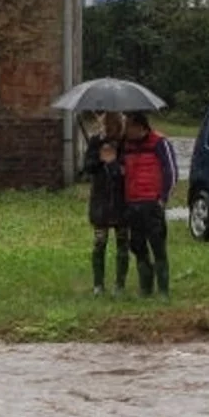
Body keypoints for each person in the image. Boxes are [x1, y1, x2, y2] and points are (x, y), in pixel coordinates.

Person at [120, 112, 177, 298]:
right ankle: (145, 287)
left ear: (140, 127)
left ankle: (163, 289)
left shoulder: (159, 143)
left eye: (129, 126)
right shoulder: (125, 145)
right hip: (132, 203)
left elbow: (171, 171)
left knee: (158, 246)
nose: (126, 130)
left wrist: (163, 198)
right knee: (137, 246)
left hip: (152, 203)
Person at [82, 112, 128, 296]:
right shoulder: (95, 142)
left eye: (113, 127)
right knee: (100, 241)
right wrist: (100, 160)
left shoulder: (125, 145)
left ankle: (120, 285)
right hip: (101, 199)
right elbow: (87, 167)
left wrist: (114, 162)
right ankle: (98, 284)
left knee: (123, 241)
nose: (109, 130)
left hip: (121, 199)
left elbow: (128, 170)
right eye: (106, 126)